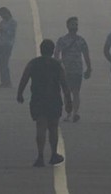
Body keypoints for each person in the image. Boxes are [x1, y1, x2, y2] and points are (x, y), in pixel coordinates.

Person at [17, 39, 73, 168]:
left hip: (38, 99)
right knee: (53, 128)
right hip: (53, 99)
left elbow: (24, 78)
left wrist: (20, 93)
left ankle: (40, 156)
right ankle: (53, 154)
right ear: (52, 51)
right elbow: (64, 84)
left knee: (40, 127)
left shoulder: (33, 63)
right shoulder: (57, 64)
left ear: (41, 50)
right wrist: (68, 101)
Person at [54, 17, 92, 122]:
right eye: (72, 24)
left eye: (76, 24)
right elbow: (56, 53)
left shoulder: (81, 40)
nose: (74, 26)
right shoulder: (62, 40)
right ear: (67, 26)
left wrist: (89, 68)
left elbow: (86, 55)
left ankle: (76, 112)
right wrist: (58, 63)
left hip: (77, 70)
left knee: (76, 92)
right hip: (65, 70)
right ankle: (69, 113)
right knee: (67, 93)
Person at [0, 7, 17, 88]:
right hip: (1, 44)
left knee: (5, 63)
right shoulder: (2, 22)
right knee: (1, 63)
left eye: (3, 14)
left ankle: (7, 81)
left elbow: (11, 33)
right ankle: (3, 81)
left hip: (8, 44)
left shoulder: (13, 22)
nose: (2, 16)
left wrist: (3, 29)